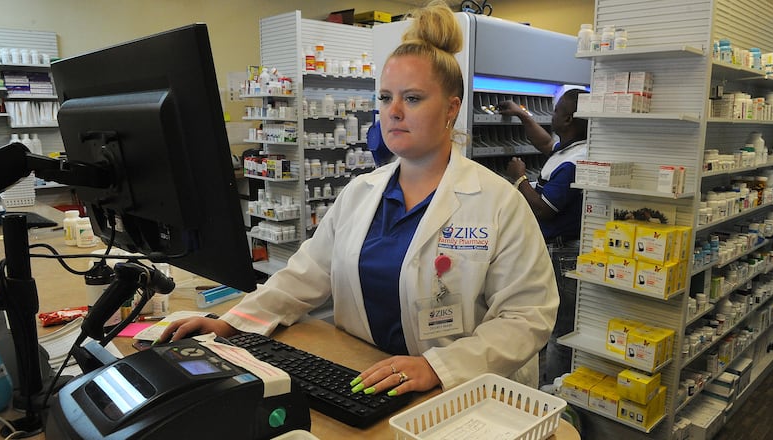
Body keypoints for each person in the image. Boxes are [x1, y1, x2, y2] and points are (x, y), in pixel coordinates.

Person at [159, 0, 558, 396]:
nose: (393, 112)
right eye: (385, 98)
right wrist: (232, 321)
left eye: (413, 98)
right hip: (363, 375)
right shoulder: (362, 192)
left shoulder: (498, 202)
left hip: (456, 391)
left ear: (452, 108)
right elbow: (306, 275)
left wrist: (438, 367)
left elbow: (527, 316)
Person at [497, 88, 589, 386]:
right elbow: (548, 144)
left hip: (563, 254)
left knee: (559, 331)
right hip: (561, 250)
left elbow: (545, 208)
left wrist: (520, 177)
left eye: (557, 110)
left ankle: (554, 393)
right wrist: (522, 115)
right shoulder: (574, 149)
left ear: (569, 118)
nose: (552, 115)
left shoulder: (574, 163)